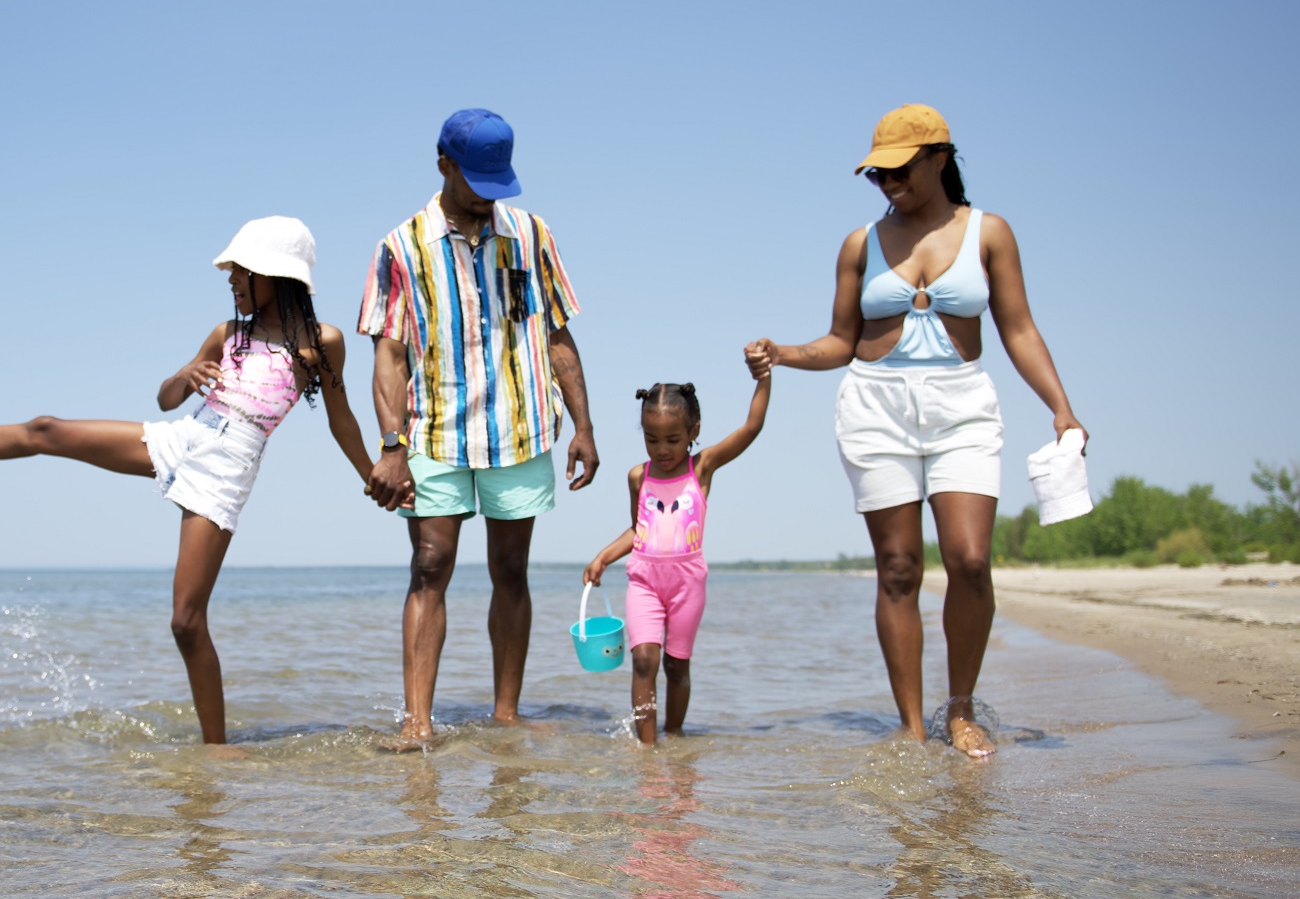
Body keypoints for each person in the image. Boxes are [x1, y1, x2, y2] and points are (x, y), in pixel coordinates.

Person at [0, 217, 375, 746]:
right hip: (186, 435)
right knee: (47, 429)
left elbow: (342, 420)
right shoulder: (227, 335)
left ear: (275, 274)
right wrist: (185, 376)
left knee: (185, 620)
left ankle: (216, 752)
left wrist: (371, 476)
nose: (230, 280)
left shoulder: (323, 343)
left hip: (227, 466)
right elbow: (165, 399)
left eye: (241, 271)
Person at [745, 104, 1086, 758]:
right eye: (877, 173)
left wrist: (1060, 407)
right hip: (875, 407)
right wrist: (783, 353)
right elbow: (842, 341)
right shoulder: (858, 244)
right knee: (899, 568)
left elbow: (1018, 329)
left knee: (970, 560)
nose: (887, 182)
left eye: (900, 169)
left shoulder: (990, 233)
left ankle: (960, 710)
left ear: (939, 159)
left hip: (962, 405)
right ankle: (908, 725)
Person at [360, 108, 599, 748]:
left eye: (499, 183)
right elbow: (388, 354)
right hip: (432, 431)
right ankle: (418, 723)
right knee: (429, 566)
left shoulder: (531, 234)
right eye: (475, 182)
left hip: (518, 426)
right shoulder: (400, 247)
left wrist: (583, 426)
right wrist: (390, 446)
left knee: (511, 571)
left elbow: (556, 333)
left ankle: (506, 713)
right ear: (443, 164)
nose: (488, 198)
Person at [584, 375, 771, 743]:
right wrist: (603, 557)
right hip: (644, 581)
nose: (662, 449)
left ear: (693, 431)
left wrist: (764, 379)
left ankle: (675, 735)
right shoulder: (638, 476)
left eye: (672, 439)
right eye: (651, 439)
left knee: (676, 665)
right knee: (643, 661)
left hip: (687, 584)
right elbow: (638, 530)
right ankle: (648, 751)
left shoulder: (700, 469)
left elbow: (751, 428)